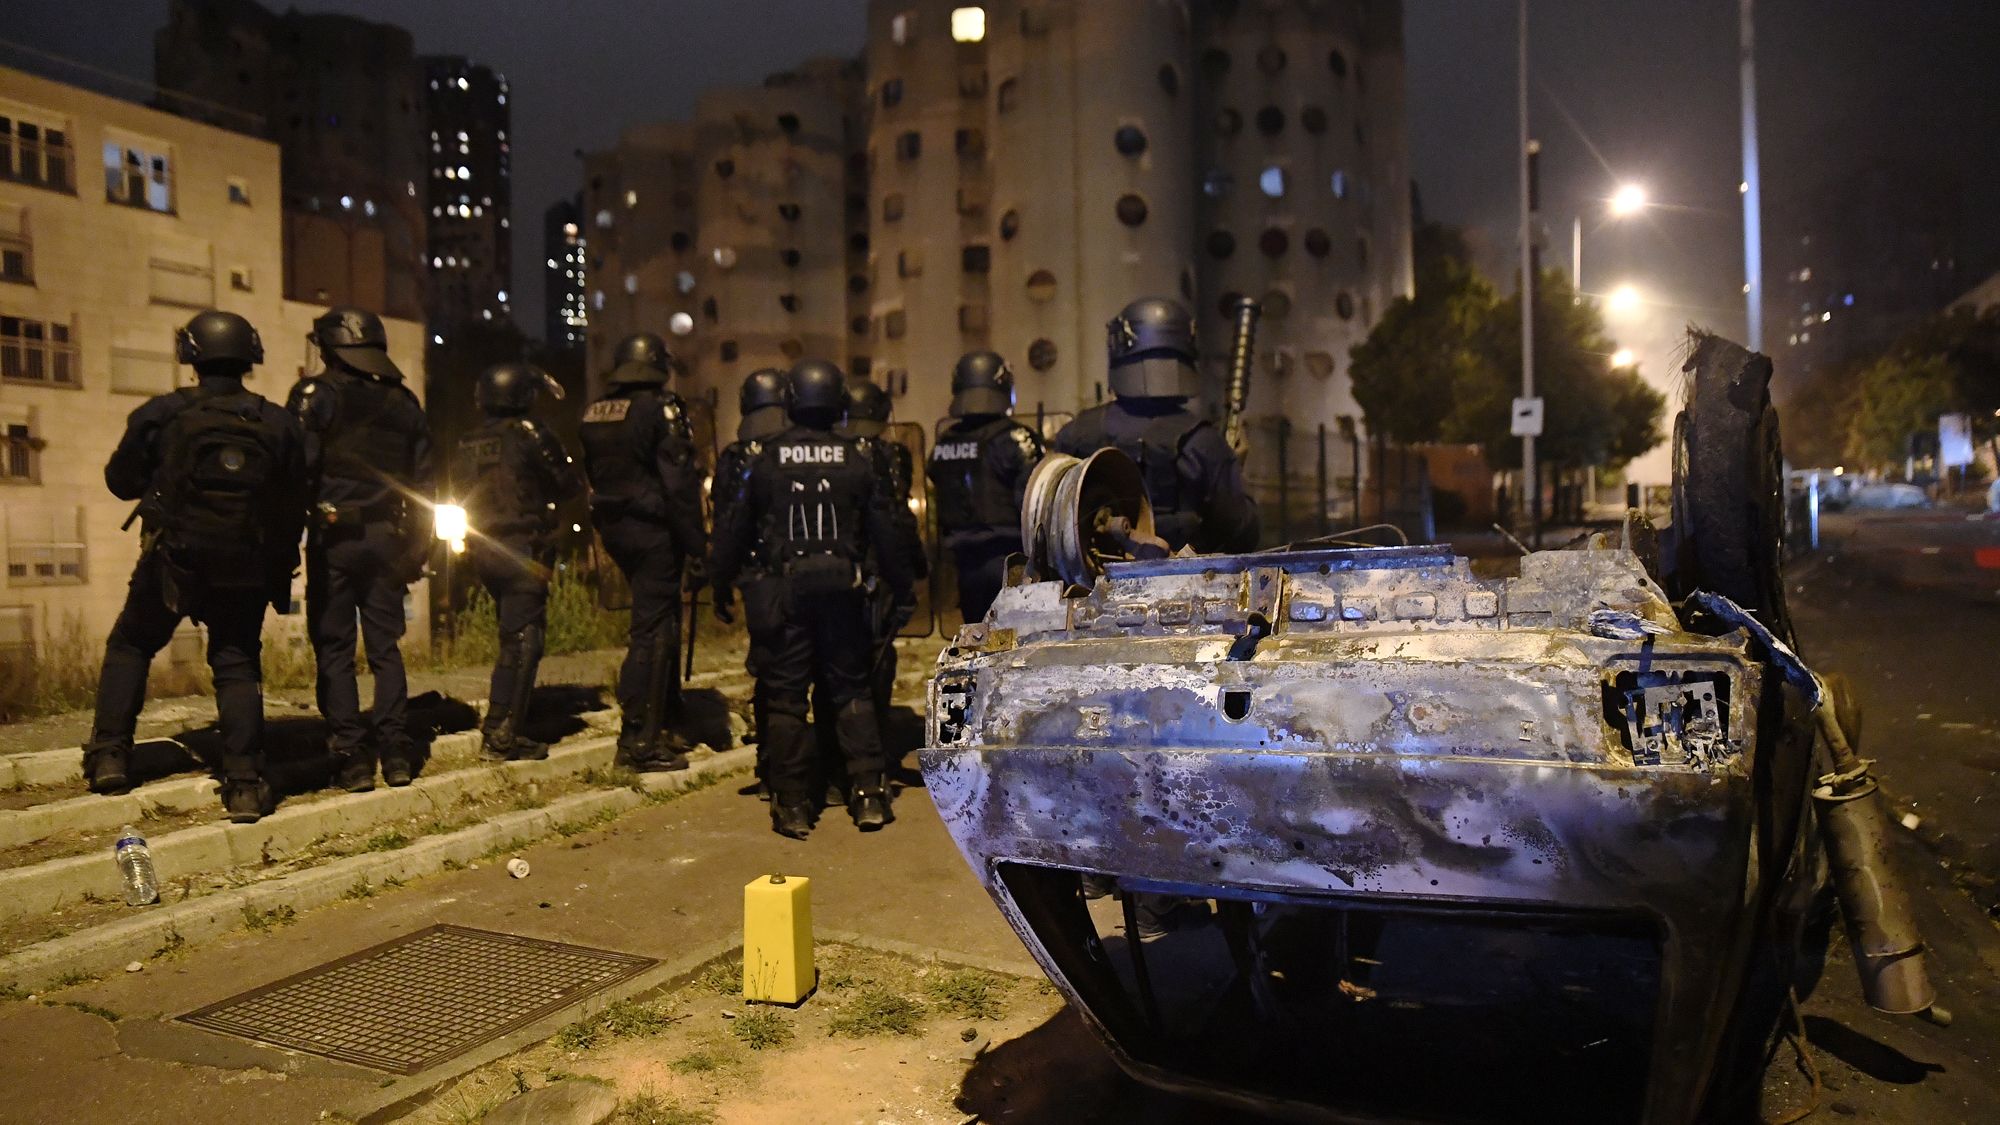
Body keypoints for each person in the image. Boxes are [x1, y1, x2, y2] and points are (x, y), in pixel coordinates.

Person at [83, 310, 307, 823]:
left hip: (174, 562)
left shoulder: (161, 413)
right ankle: (245, 785)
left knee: (132, 644)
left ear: (191, 355)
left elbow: (121, 481)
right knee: (236, 665)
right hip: (244, 568)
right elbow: (294, 501)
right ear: (249, 355)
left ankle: (110, 756)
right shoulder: (278, 424)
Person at [709, 360, 917, 839]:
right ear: (839, 403)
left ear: (792, 401)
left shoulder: (766, 458)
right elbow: (887, 532)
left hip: (785, 599)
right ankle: (868, 794)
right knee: (851, 690)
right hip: (844, 595)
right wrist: (903, 588)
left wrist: (719, 583)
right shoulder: (856, 458)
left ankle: (793, 803)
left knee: (784, 700)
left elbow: (734, 531)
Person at [288, 307, 433, 792]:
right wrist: (418, 547)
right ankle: (395, 751)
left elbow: (297, 470)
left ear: (331, 350)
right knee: (385, 648)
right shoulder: (405, 402)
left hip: (336, 541)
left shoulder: (316, 396)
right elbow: (424, 484)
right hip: (389, 541)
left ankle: (351, 755)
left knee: (334, 650)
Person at [579, 333, 709, 772]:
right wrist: (697, 544)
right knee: (652, 632)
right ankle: (639, 739)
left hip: (614, 528)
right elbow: (679, 483)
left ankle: (665, 719)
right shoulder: (662, 408)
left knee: (660, 623)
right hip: (654, 529)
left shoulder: (596, 411)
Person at [1052, 296, 1260, 554]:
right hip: (1179, 589)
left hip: (1090, 586)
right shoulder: (1203, 443)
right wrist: (1232, 467)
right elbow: (1241, 532)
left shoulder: (1075, 434)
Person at [455, 361, 583, 761]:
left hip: (485, 550)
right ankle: (503, 733)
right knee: (526, 639)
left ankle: (499, 726)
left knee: (510, 637)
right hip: (523, 548)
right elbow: (566, 482)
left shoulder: (470, 441)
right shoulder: (529, 433)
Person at [714, 369, 791, 797]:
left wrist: (720, 580)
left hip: (758, 582)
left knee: (770, 676)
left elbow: (727, 527)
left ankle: (772, 768)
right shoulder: (797, 448)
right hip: (803, 577)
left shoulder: (735, 456)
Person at [927, 351, 1042, 622]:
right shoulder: (1016, 438)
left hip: (964, 564)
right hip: (1009, 561)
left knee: (977, 639)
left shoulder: (944, 443)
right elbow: (1033, 502)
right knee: (1015, 643)